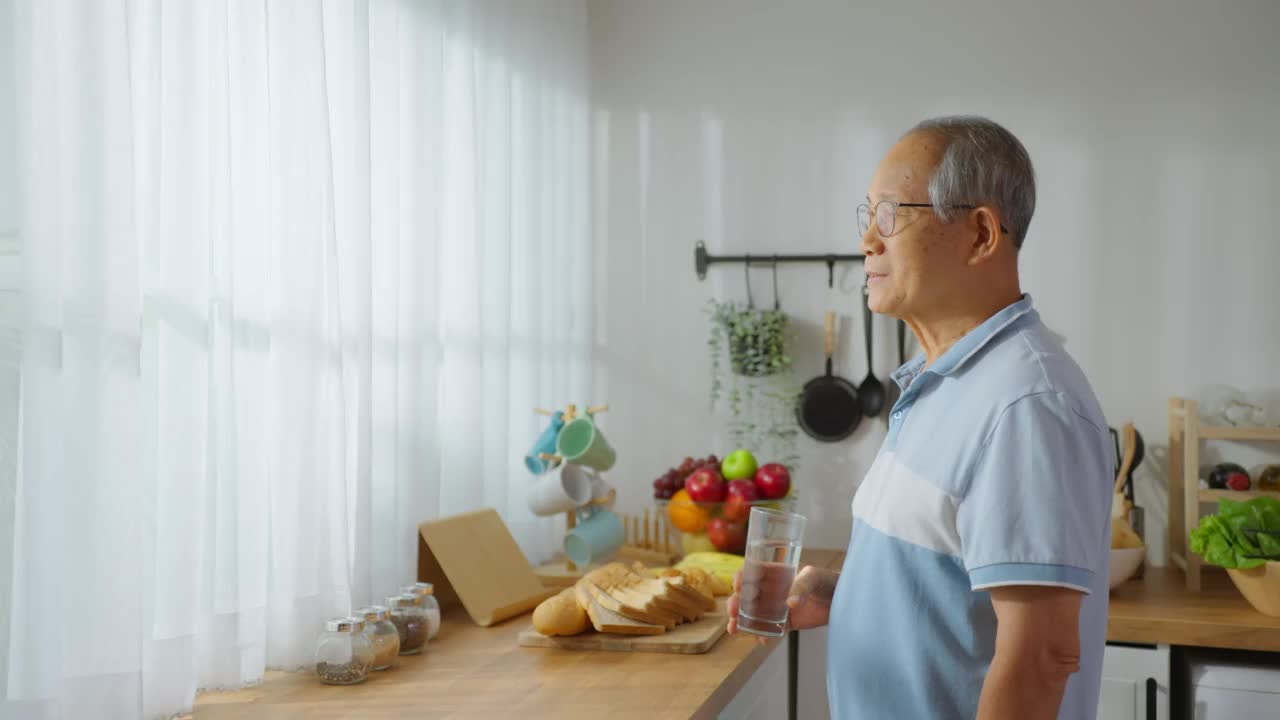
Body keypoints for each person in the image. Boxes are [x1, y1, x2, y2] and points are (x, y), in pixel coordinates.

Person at [727, 116, 1112, 719]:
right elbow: (948, 585)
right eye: (867, 217)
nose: (867, 243)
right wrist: (842, 593)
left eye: (890, 216)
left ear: (980, 233)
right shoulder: (941, 384)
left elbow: (1041, 657)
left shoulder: (1026, 404)